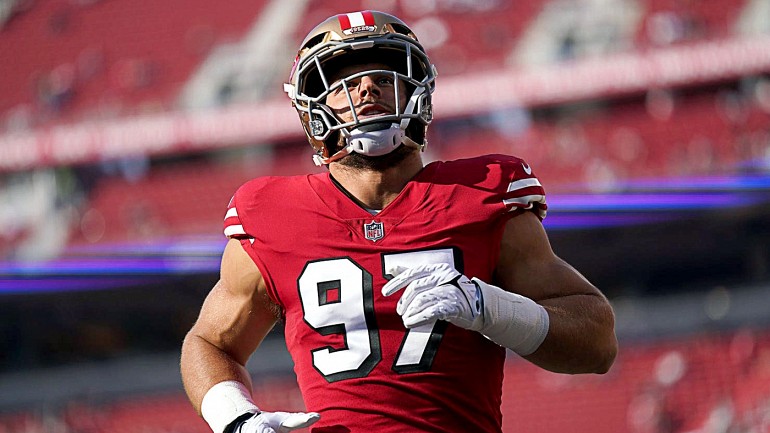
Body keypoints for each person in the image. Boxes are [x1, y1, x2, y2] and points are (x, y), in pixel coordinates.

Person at [180, 10, 618, 433]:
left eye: (384, 73)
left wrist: (490, 308)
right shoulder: (272, 214)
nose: (367, 87)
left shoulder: (479, 195)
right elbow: (209, 344)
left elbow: (596, 343)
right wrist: (237, 418)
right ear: (310, 108)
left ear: (419, 91)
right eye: (343, 81)